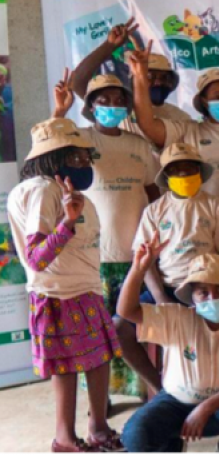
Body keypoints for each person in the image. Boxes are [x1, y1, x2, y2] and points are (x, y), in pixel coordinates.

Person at [7, 118, 123, 452]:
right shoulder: (43, 190)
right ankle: (65, 439)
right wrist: (68, 222)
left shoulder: (60, 189)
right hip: (57, 295)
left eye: (87, 158)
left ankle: (98, 429)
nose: (85, 165)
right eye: (75, 159)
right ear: (52, 159)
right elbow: (35, 256)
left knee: (98, 358)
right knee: (66, 367)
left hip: (82, 289)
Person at [57, 70, 160, 399]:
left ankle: (146, 393)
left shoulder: (138, 145)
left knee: (139, 331)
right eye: (104, 101)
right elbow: (51, 143)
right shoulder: (82, 140)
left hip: (136, 258)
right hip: (95, 258)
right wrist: (60, 112)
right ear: (91, 107)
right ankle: (101, 404)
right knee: (95, 335)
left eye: (119, 101)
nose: (112, 106)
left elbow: (153, 191)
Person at [118, 251, 219, 452]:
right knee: (134, 435)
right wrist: (138, 269)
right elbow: (126, 311)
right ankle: (171, 444)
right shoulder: (177, 317)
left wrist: (206, 408)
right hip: (175, 404)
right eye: (203, 292)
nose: (213, 298)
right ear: (192, 296)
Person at [124, 142, 219, 393]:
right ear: (166, 176)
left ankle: (208, 387)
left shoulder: (216, 206)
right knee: (119, 328)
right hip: (167, 288)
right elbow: (145, 261)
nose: (183, 175)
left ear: (200, 172)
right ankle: (160, 388)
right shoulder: (155, 211)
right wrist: (160, 297)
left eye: (189, 168)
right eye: (176, 170)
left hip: (205, 288)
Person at [128, 45, 219, 206]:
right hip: (205, 217)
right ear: (203, 100)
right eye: (217, 96)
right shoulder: (188, 130)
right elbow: (147, 124)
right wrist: (140, 76)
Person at [70, 17, 191, 130]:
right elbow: (77, 82)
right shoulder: (118, 108)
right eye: (150, 76)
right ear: (135, 79)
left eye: (164, 78)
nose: (158, 82)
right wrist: (110, 45)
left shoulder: (180, 118)